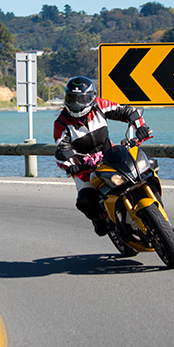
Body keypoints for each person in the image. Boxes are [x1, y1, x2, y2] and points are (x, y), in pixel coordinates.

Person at [53, 76, 151, 237]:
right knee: (85, 199)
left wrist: (141, 127)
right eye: (72, 98)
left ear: (91, 97)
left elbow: (127, 111)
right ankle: (98, 218)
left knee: (141, 173)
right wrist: (72, 165)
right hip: (84, 168)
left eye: (81, 99)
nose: (76, 104)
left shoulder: (100, 105)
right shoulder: (61, 123)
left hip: (110, 155)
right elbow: (61, 149)